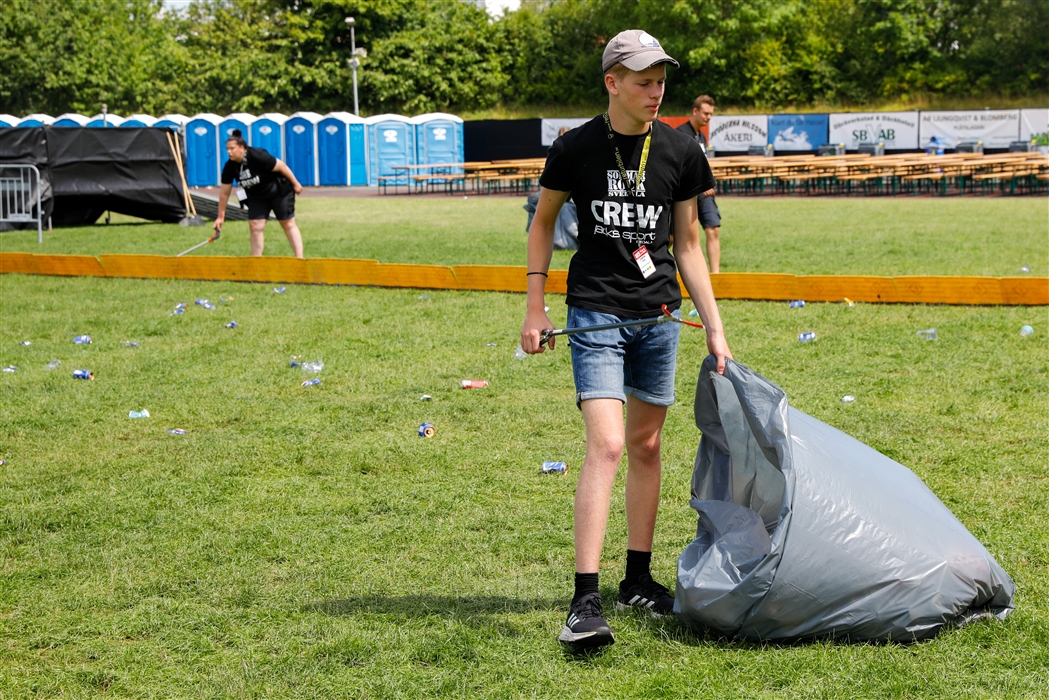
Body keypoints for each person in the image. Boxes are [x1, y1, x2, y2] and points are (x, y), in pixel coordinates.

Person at [520, 29, 732, 652]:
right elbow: (540, 226)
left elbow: (687, 246)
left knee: (646, 445)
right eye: (643, 81)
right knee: (608, 445)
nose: (655, 90)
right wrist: (535, 307)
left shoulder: (682, 150)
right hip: (595, 314)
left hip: (660, 316)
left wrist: (714, 326)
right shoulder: (576, 148)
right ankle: (585, 599)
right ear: (612, 82)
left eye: (660, 80)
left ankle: (637, 578)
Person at [214, 129, 305, 258]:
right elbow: (224, 193)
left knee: (287, 223)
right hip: (257, 196)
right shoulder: (230, 166)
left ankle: (299, 258)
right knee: (255, 225)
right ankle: (256, 261)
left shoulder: (258, 155)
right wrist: (220, 217)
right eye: (227, 149)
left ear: (242, 148)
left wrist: (296, 184)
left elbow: (282, 167)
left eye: (232, 148)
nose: (229, 152)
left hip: (279, 191)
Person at [676, 95, 722, 273]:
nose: (708, 117)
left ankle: (716, 277)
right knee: (673, 238)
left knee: (713, 229)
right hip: (686, 196)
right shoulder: (680, 134)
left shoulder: (701, 136)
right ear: (695, 111)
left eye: (711, 114)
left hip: (705, 195)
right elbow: (678, 168)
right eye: (705, 113)